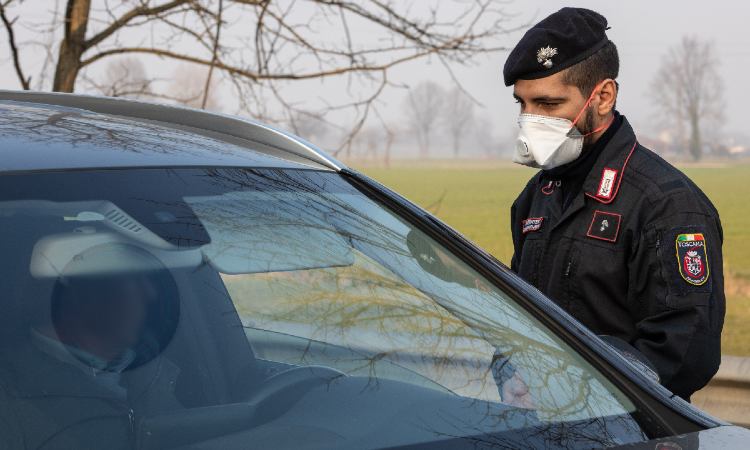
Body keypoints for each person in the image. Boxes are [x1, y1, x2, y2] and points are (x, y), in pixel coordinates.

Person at [504, 7, 724, 401]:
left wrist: (579, 392)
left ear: (603, 96)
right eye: (522, 104)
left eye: (548, 105)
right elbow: (519, 312)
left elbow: (687, 351)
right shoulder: (537, 196)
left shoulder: (667, 205)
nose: (529, 119)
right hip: (539, 425)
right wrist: (507, 372)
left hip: (628, 431)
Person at [0, 244, 183, 449]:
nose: (150, 294)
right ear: (77, 293)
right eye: (133, 279)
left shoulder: (154, 372)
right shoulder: (10, 395)